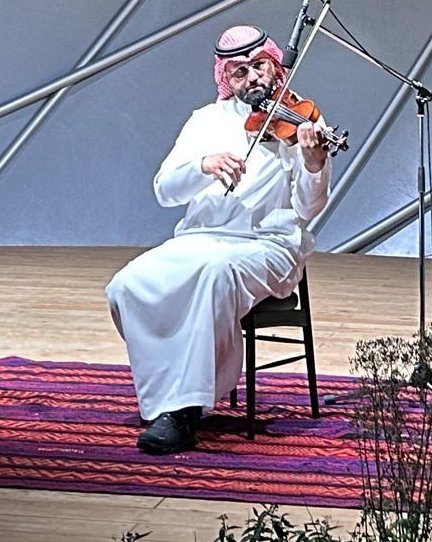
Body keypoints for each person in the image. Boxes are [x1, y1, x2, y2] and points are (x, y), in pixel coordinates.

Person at [105, 24, 331, 456]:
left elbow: (308, 208)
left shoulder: (300, 120)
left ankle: (186, 411)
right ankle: (164, 394)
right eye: (239, 72)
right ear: (225, 78)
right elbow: (165, 191)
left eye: (259, 66)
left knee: (213, 276)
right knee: (126, 285)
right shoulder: (205, 121)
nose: (253, 78)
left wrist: (314, 163)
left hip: (268, 244)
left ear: (275, 65)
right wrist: (203, 165)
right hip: (201, 238)